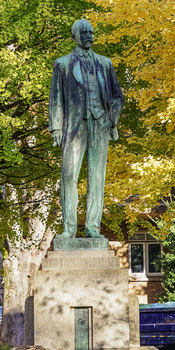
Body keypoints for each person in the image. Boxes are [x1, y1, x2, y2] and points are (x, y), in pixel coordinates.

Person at [49, 19, 123, 239]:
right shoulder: (63, 64)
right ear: (75, 36)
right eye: (84, 32)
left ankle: (93, 227)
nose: (89, 36)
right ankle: (69, 228)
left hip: (100, 124)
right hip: (74, 125)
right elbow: (56, 98)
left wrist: (111, 120)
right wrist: (56, 128)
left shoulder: (105, 63)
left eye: (91, 32)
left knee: (97, 177)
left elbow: (117, 97)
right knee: (68, 175)